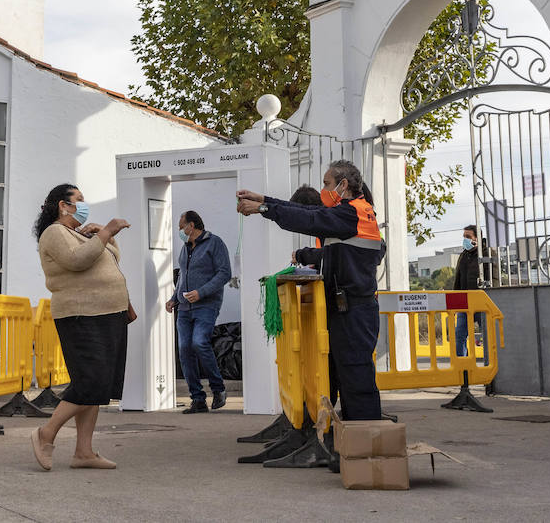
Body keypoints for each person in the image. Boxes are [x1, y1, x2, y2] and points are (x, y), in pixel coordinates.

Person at [237, 160, 385, 421]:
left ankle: (365, 440)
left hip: (354, 309)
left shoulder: (350, 213)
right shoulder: (352, 212)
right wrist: (263, 199)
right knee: (345, 373)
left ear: (344, 185)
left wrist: (263, 208)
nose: (323, 189)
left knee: (356, 375)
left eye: (327, 183)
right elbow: (305, 210)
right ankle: (350, 438)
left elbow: (308, 217)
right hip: (349, 307)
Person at [30, 183, 136, 471]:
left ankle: (84, 452)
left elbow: (111, 259)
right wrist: (106, 232)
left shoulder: (75, 234)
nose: (84, 204)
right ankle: (46, 433)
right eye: (79, 200)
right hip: (81, 315)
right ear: (63, 206)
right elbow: (77, 261)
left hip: (105, 313)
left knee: (99, 386)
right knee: (91, 381)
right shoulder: (54, 233)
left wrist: (101, 236)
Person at [164, 210, 232, 413]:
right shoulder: (185, 248)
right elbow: (182, 278)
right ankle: (198, 399)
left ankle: (218, 389)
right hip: (184, 308)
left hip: (206, 306)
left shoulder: (215, 243)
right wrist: (174, 298)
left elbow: (224, 273)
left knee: (199, 342)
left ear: (191, 226)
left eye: (180, 227)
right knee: (185, 349)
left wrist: (201, 293)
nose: (179, 231)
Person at [451, 224, 486, 357]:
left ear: (477, 238)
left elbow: (493, 278)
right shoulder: (463, 256)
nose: (465, 239)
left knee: (488, 336)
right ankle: (463, 368)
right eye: (464, 236)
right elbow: (457, 280)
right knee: (459, 336)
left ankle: (490, 365)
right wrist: (454, 303)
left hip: (482, 303)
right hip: (463, 303)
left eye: (468, 236)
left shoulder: (487, 254)